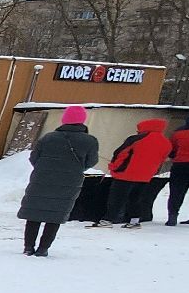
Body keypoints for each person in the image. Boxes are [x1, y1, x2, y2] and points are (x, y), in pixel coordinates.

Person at [17, 105, 97, 256]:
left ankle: (28, 247)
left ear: (64, 119)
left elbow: (34, 157)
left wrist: (44, 169)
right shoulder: (90, 141)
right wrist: (74, 170)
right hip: (69, 182)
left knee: (34, 214)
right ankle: (43, 249)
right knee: (55, 215)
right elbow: (91, 161)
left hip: (41, 180)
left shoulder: (49, 137)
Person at [93, 119, 172, 229]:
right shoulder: (166, 143)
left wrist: (113, 167)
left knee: (117, 198)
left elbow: (120, 153)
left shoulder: (136, 139)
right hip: (145, 176)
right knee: (136, 199)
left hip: (125, 174)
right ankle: (134, 221)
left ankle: (107, 220)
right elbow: (162, 160)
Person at [167, 121, 189, 227]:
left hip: (180, 165)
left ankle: (172, 216)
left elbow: (172, 149)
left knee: (176, 192)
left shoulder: (178, 133)